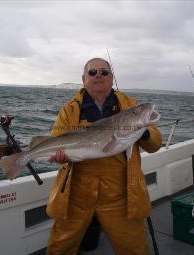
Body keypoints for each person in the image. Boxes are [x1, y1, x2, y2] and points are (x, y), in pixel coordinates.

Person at [46, 57, 162, 255]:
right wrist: (60, 156)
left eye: (104, 72)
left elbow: (155, 144)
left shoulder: (130, 106)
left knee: (134, 248)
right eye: (92, 72)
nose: (98, 75)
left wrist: (143, 131)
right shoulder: (69, 110)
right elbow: (56, 140)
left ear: (112, 77)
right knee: (60, 247)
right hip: (76, 193)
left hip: (120, 195)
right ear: (84, 79)